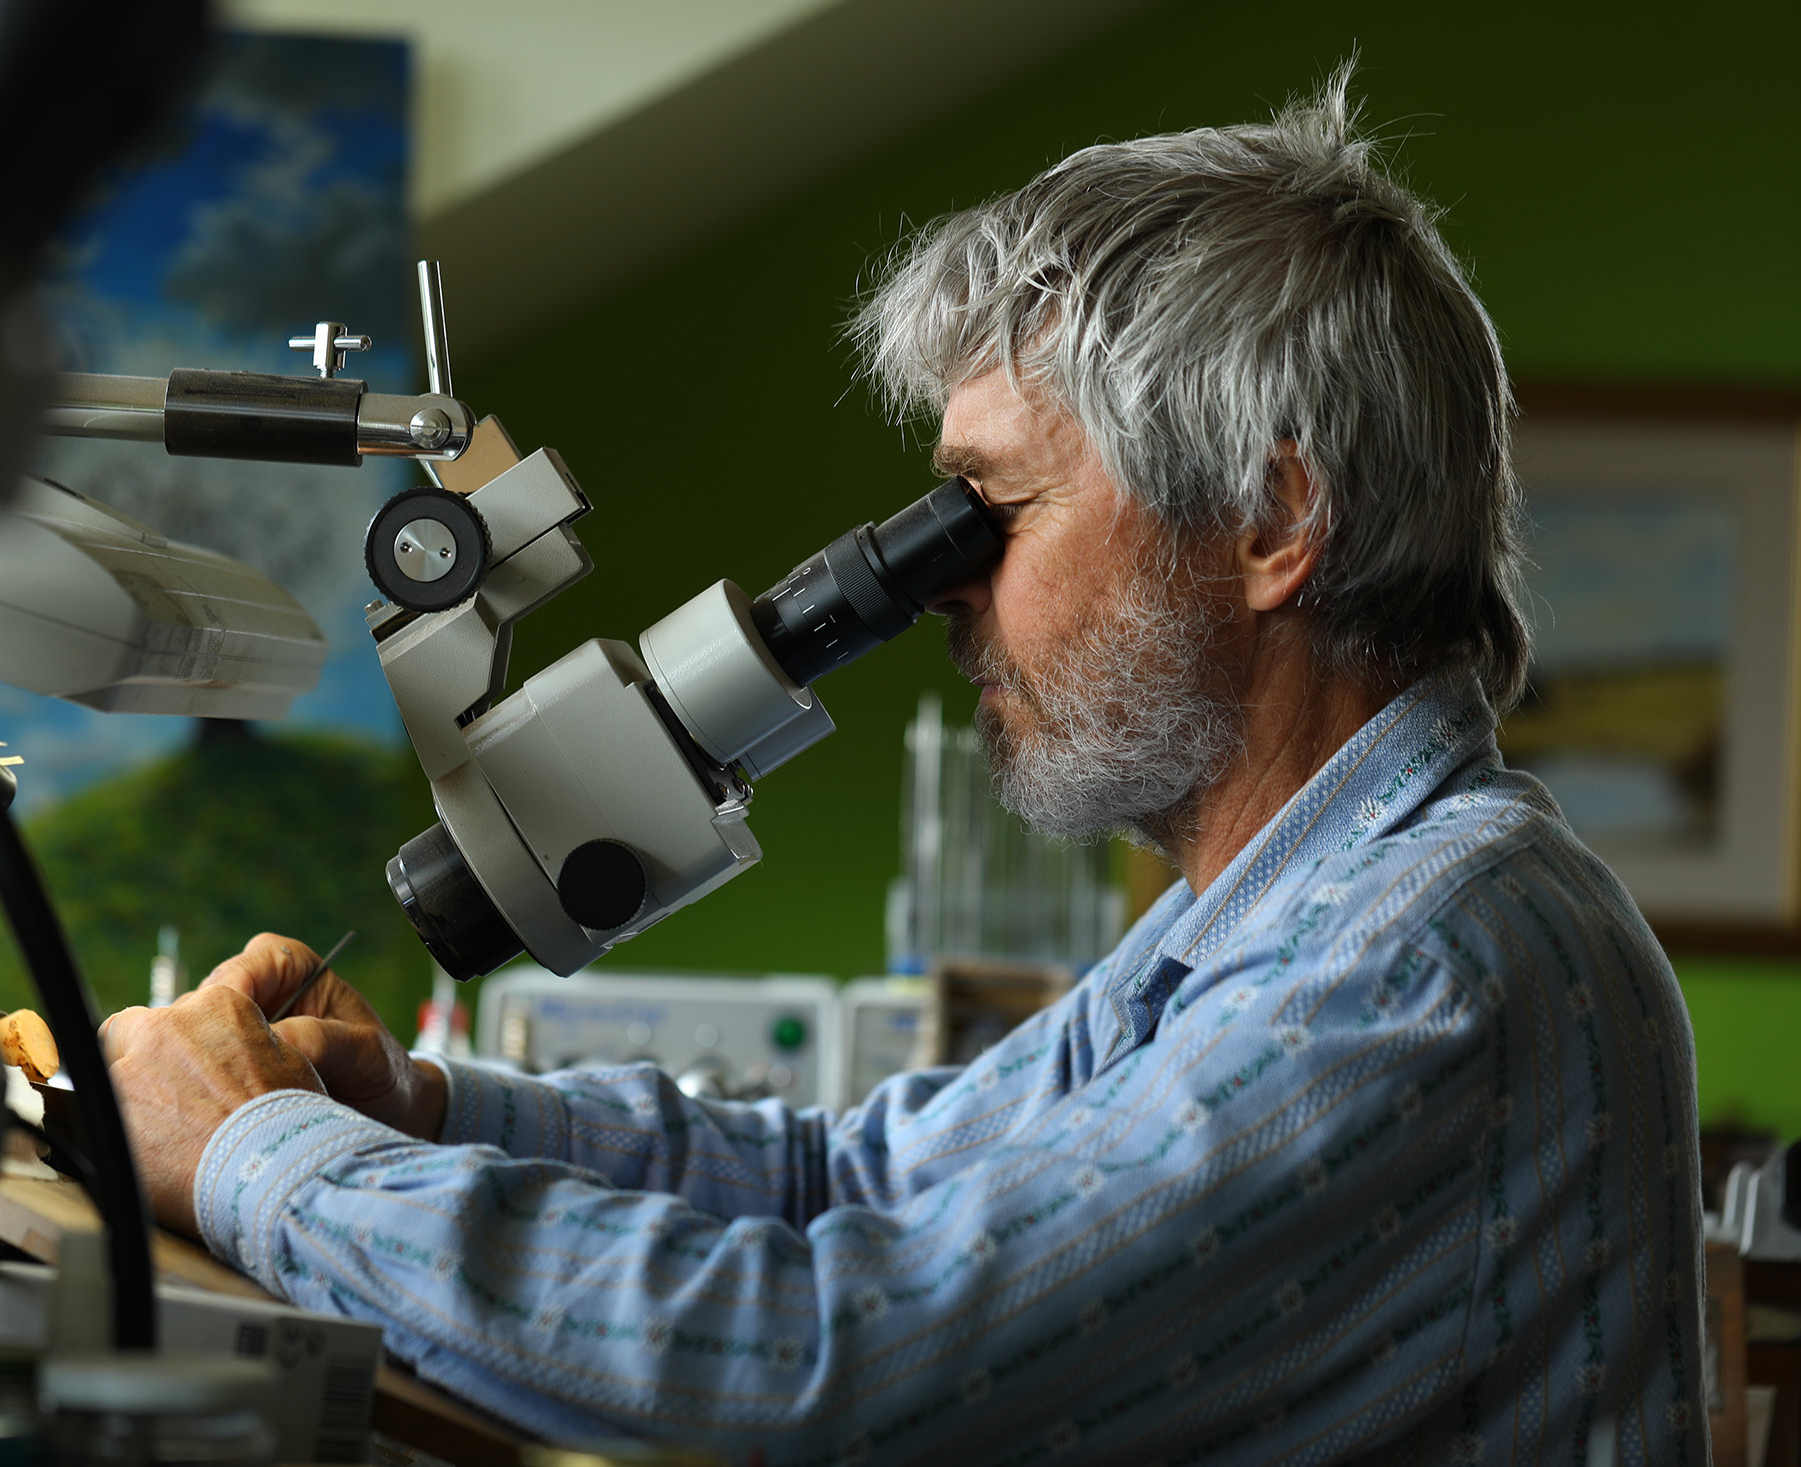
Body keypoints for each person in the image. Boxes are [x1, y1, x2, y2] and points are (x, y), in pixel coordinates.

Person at [104, 73, 1708, 1464]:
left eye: (989, 514)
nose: (940, 585)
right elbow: (848, 1181)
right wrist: (422, 1109)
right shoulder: (1280, 917)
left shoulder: (1426, 961)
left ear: (1274, 525)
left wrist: (256, 1155)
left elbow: (823, 1370)